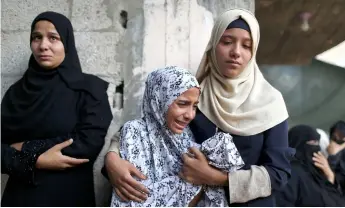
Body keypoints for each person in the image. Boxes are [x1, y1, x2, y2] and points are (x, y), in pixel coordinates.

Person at [104, 9, 293, 206]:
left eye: (247, 45)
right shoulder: (193, 96)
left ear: (253, 53)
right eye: (227, 42)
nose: (236, 52)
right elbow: (150, 128)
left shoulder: (270, 103)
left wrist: (218, 178)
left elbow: (279, 173)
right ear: (213, 45)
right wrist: (112, 158)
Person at [1, 11, 113, 206]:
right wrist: (36, 160)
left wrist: (23, 148)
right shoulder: (16, 93)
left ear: (66, 43)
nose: (43, 45)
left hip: (68, 195)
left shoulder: (89, 89)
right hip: (20, 198)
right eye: (36, 37)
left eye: (53, 38)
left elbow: (88, 144)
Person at [110, 66, 244, 207]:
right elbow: (137, 198)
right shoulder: (135, 133)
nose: (190, 115)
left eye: (194, 106)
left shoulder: (188, 135)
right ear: (159, 98)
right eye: (182, 104)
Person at [275, 125, 345, 207]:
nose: (317, 147)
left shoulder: (317, 170)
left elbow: (336, 199)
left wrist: (329, 174)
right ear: (298, 143)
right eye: (312, 142)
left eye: (317, 142)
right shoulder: (290, 173)